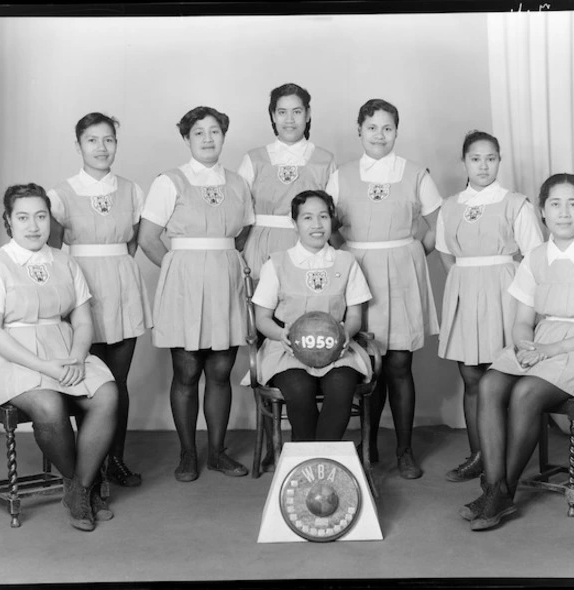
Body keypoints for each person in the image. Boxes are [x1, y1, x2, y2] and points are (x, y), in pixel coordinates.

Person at [461, 173, 574, 531]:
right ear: (542, 211)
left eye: (573, 204)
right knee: (491, 383)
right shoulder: (535, 258)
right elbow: (523, 321)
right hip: (542, 343)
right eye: (555, 204)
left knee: (525, 392)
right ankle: (496, 489)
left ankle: (498, 494)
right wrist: (525, 347)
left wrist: (551, 349)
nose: (564, 212)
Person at [0, 183, 119, 532]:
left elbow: (82, 320)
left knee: (108, 393)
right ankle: (81, 487)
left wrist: (78, 358)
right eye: (23, 217)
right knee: (49, 404)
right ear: (9, 221)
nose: (33, 225)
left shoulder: (65, 262)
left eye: (40, 216)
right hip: (10, 358)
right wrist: (44, 367)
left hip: (64, 350)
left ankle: (78, 487)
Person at [326, 98, 442, 478]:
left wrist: (410, 255)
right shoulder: (341, 175)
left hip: (402, 274)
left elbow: (437, 226)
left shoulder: (415, 173)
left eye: (387, 128)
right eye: (372, 127)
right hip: (359, 274)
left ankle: (405, 450)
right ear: (359, 130)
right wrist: (349, 260)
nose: (379, 135)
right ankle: (369, 444)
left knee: (399, 364)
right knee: (368, 363)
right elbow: (328, 229)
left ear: (396, 132)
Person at [138, 106, 253, 482]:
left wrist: (222, 262)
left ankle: (217, 452)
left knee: (220, 370)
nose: (208, 138)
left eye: (215, 131)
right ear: (186, 139)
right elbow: (148, 238)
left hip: (225, 283)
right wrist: (178, 268)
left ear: (224, 136)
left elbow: (243, 233)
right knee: (186, 371)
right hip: (184, 286)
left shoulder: (238, 182)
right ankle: (188, 453)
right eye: (199, 132)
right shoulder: (170, 181)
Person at [48, 112, 152, 488]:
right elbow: (54, 249)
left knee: (118, 382)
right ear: (78, 146)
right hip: (81, 288)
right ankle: (87, 466)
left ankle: (116, 462)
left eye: (108, 140)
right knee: (85, 381)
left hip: (122, 288)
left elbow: (134, 241)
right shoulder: (60, 194)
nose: (101, 147)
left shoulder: (131, 189)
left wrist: (116, 270)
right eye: (92, 140)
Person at [437, 130, 543, 483]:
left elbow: (534, 256)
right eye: (475, 158)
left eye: (491, 158)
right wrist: (465, 287)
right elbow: (444, 252)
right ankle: (478, 455)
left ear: (500, 160)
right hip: (465, 292)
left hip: (504, 291)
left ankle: (502, 460)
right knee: (470, 377)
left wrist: (510, 293)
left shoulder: (516, 203)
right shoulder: (450, 205)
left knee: (499, 376)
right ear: (464, 162)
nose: (483, 165)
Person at [252, 190, 372, 441]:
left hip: (337, 349)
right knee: (299, 389)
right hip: (288, 350)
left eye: (323, 217)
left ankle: (324, 457)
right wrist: (280, 335)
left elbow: (354, 316)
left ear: (332, 221)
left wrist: (344, 336)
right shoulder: (276, 263)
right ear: (294, 223)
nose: (317, 225)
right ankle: (304, 458)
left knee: (341, 387)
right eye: (307, 218)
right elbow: (262, 317)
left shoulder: (346, 261)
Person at [238, 82, 336, 280]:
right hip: (261, 246)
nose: (289, 120)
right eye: (282, 112)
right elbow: (239, 211)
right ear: (273, 116)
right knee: (262, 303)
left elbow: (334, 216)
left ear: (307, 115)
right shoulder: (254, 159)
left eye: (297, 112)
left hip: (309, 244)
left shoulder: (325, 160)